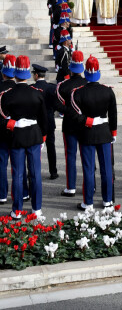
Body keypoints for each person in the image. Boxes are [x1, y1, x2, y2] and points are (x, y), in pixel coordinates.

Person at [0, 56, 47, 218]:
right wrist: (43, 137)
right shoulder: (37, 94)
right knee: (35, 174)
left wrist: (13, 125)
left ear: (15, 72)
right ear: (28, 73)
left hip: (16, 137)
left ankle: (17, 210)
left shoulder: (7, 95)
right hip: (34, 136)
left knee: (18, 175)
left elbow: (3, 120)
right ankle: (37, 208)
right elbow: (44, 120)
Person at [70, 56, 117, 210]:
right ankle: (107, 200)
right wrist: (113, 132)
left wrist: (89, 121)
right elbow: (113, 114)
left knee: (89, 170)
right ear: (98, 72)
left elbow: (75, 116)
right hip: (104, 132)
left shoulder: (78, 93)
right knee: (106, 169)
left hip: (87, 133)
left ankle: (88, 202)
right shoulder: (108, 91)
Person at [55, 50, 86, 197]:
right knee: (88, 157)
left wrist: (69, 110)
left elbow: (58, 105)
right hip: (86, 124)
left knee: (70, 156)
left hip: (69, 125)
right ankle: (89, 186)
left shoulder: (63, 85)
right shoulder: (87, 83)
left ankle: (71, 187)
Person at [31, 64, 58, 179]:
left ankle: (33, 171)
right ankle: (53, 171)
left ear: (36, 75)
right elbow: (56, 104)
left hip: (37, 122)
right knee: (51, 147)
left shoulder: (32, 88)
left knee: (35, 147)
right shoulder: (51, 87)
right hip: (49, 120)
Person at [0, 55, 17, 206]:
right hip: (18, 130)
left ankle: (2, 194)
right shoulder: (21, 88)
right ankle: (22, 193)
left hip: (1, 129)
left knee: (1, 163)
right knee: (18, 165)